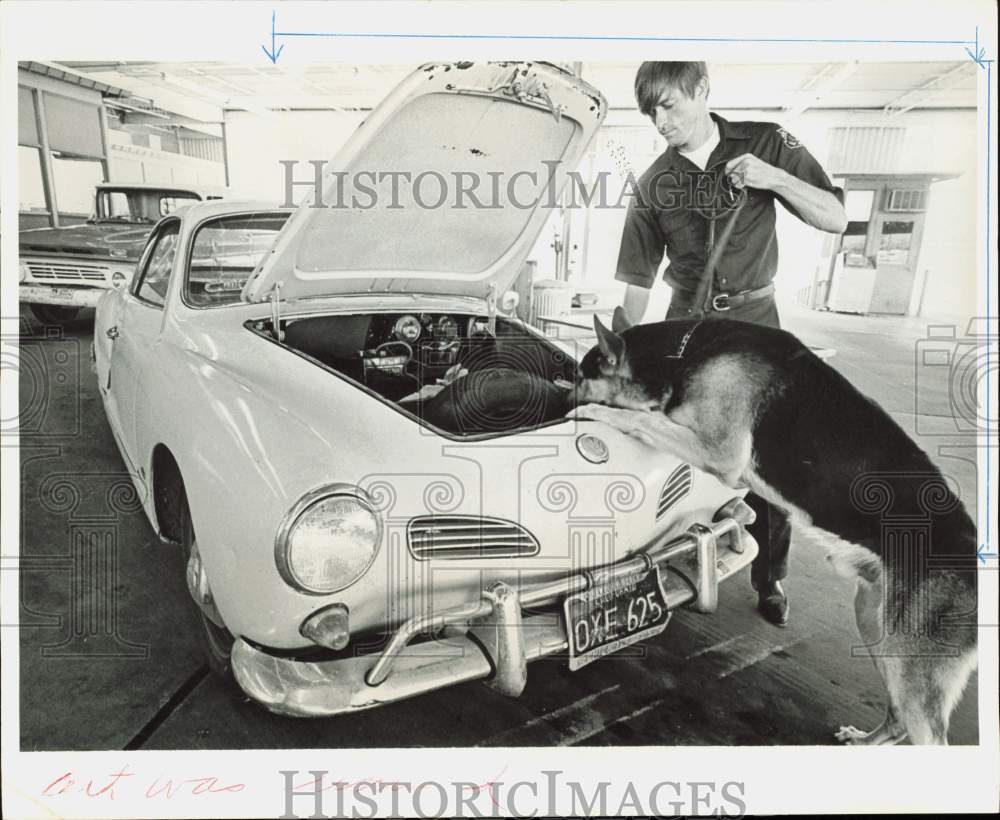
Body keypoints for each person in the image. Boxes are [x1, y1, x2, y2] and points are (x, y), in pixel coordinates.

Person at [614, 61, 847, 626]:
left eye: (669, 105)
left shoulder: (763, 143)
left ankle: (770, 578)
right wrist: (618, 352)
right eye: (650, 111)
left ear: (701, 92)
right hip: (687, 332)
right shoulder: (652, 183)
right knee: (671, 447)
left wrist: (776, 179)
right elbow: (636, 282)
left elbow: (836, 217)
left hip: (757, 324)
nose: (660, 121)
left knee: (767, 459)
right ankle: (662, 559)